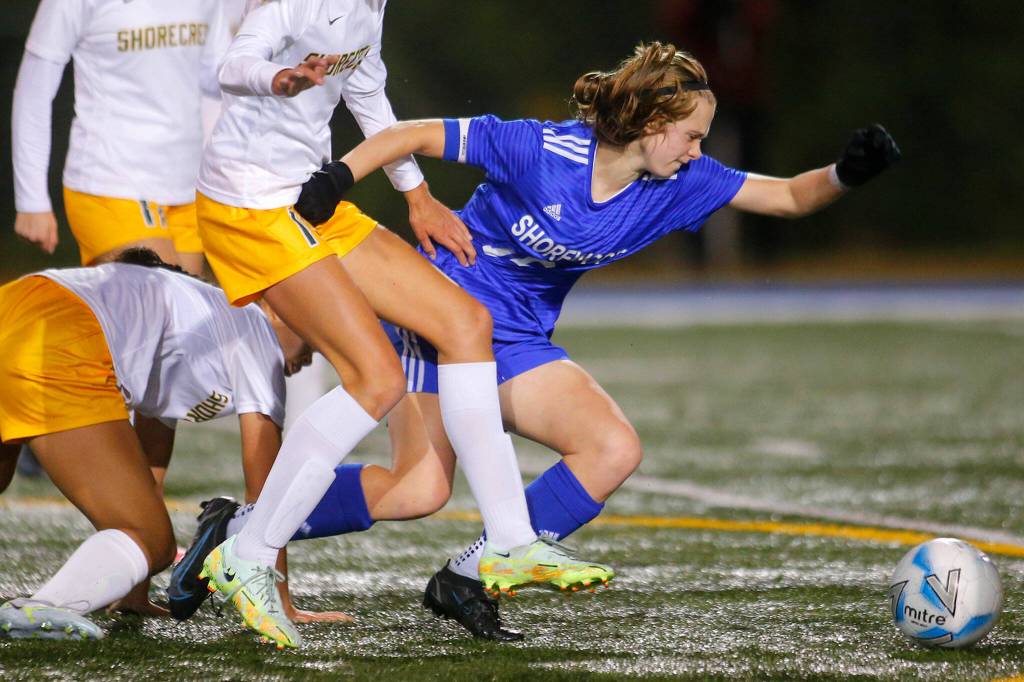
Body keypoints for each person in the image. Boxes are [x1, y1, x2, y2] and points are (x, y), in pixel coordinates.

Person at [193, 41, 902, 640]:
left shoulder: (681, 183)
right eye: (690, 135)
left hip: (519, 340)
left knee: (611, 449)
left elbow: (788, 197)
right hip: (438, 319)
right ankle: (242, 528)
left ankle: (469, 577)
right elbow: (412, 133)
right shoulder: (541, 150)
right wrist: (343, 175)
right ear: (653, 124)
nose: (697, 151)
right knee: (417, 490)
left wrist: (846, 174)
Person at [193, 0, 612, 650]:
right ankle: (249, 552)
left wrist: (416, 194)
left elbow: (368, 90)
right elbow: (232, 62)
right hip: (251, 205)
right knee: (376, 379)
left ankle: (508, 542)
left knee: (465, 321)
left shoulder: (368, 7)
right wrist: (276, 78)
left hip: (307, 197)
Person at [0, 253, 327, 640]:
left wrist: (132, 591)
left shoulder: (187, 325)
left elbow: (145, 473)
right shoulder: (252, 327)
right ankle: (44, 608)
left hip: (17, 301)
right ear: (273, 308)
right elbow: (266, 494)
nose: (313, 351)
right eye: (311, 330)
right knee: (151, 539)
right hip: (63, 333)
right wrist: (279, 600)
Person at [11, 0, 221, 275]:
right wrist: (31, 200)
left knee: (182, 314)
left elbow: (215, 77)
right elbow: (33, 92)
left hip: (186, 186)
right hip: (111, 181)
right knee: (156, 304)